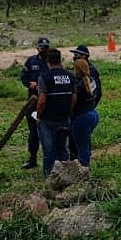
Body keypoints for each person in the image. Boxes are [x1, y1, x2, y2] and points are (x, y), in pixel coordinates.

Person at [36, 49, 75, 177]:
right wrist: (68, 111)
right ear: (60, 60)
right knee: (63, 149)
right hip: (64, 118)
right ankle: (66, 175)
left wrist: (39, 116)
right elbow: (74, 98)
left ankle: (50, 177)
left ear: (48, 61)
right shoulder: (70, 76)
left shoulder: (44, 77)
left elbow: (42, 101)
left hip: (47, 120)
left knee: (49, 151)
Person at [19, 37, 50, 169]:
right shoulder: (31, 61)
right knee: (33, 132)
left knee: (48, 131)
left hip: (48, 100)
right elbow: (23, 77)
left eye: (45, 47)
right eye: (41, 47)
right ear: (37, 47)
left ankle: (50, 160)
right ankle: (32, 158)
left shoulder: (51, 61)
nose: (43, 49)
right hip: (33, 100)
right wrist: (29, 84)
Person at [68, 44, 102, 162]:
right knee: (83, 142)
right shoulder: (90, 80)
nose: (74, 57)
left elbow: (74, 100)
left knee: (80, 145)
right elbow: (96, 93)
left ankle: (83, 167)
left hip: (82, 115)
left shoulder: (80, 84)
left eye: (77, 55)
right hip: (91, 113)